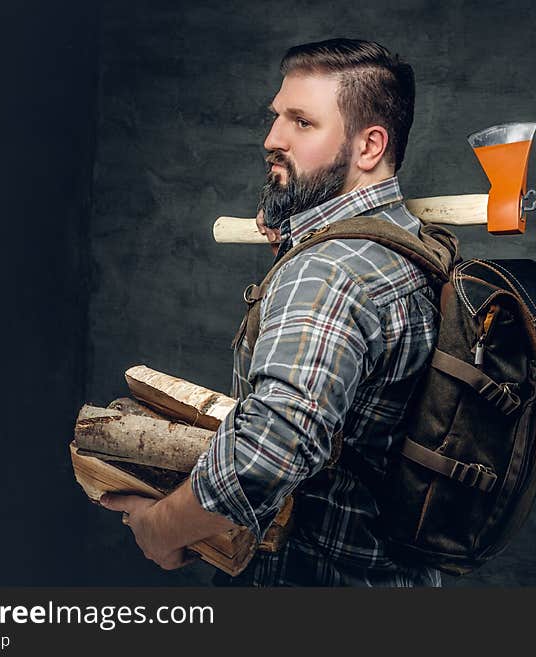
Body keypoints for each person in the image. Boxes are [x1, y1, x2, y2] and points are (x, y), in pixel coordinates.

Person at [102, 38, 441, 586]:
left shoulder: (326, 273)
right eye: (277, 117)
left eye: (302, 123)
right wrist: (297, 233)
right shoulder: (408, 243)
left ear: (369, 145)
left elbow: (271, 448)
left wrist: (162, 528)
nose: (272, 139)